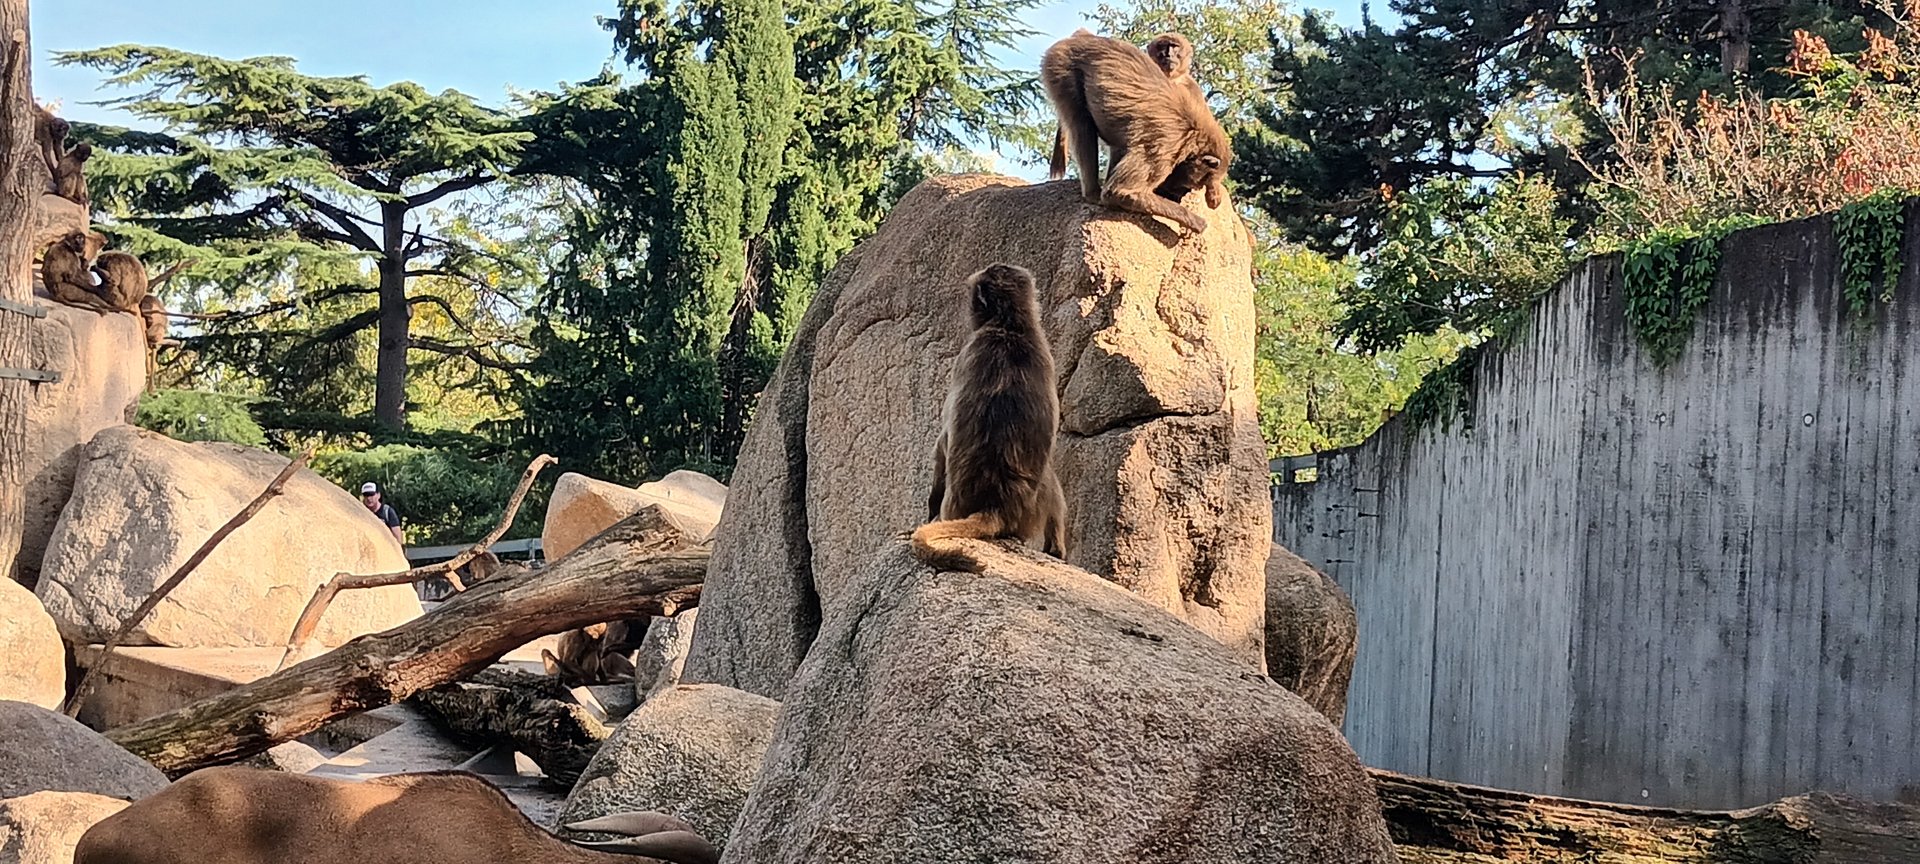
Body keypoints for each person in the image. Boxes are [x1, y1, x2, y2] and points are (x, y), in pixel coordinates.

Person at [360, 482, 404, 546]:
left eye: (371, 494)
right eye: (366, 495)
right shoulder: (361, 513)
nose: (369, 498)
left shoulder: (387, 512)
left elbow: (397, 537)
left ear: (378, 495)